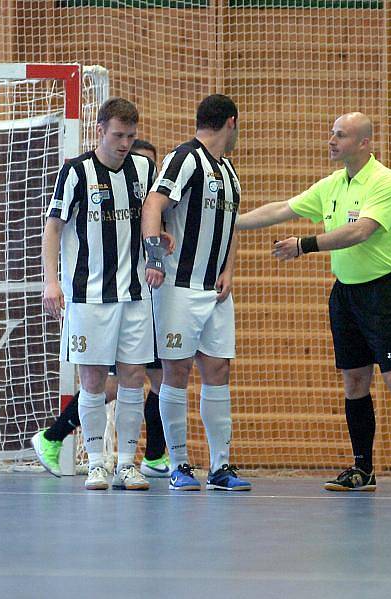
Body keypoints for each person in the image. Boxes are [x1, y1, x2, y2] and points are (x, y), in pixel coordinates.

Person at [235, 112, 391, 493]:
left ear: (363, 143)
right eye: (331, 134)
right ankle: (362, 469)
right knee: (355, 380)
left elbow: (361, 231)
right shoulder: (331, 185)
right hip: (346, 293)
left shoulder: (385, 181)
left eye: (340, 135)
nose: (331, 140)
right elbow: (281, 209)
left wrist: (304, 245)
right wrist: (230, 221)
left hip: (384, 290)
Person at [42, 99, 171, 491]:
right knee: (93, 378)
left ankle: (127, 464)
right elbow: (53, 228)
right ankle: (97, 462)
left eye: (131, 136)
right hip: (88, 294)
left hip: (135, 293)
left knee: (134, 378)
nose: (125, 143)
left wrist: (158, 247)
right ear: (100, 130)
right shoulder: (76, 171)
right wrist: (51, 281)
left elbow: (153, 220)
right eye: (118, 135)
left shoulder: (144, 168)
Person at [141, 94, 252, 492]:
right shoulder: (185, 158)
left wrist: (229, 269)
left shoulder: (229, 171)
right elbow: (153, 204)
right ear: (231, 123)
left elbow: (230, 226)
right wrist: (154, 258)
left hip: (215, 290)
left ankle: (220, 467)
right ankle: (179, 464)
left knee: (218, 370)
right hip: (179, 287)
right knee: (176, 371)